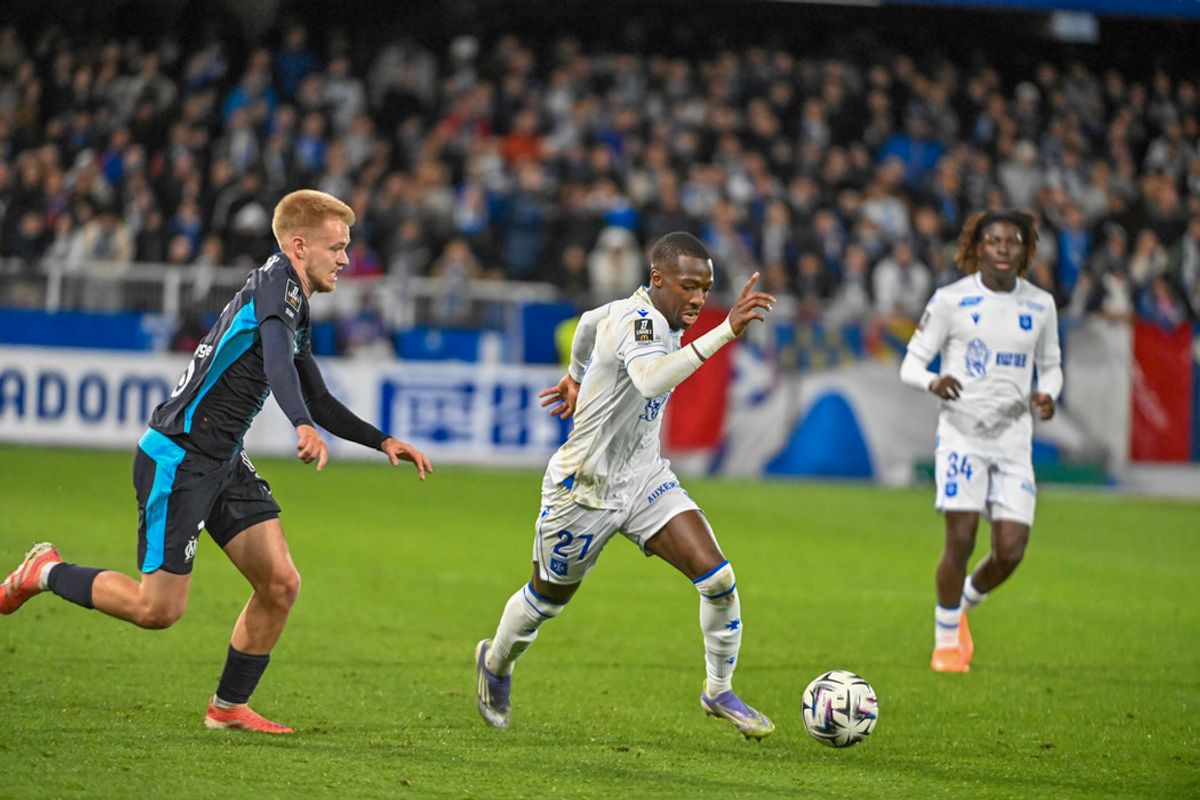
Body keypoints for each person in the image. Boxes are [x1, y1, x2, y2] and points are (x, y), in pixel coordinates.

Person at [1, 189, 433, 733]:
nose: (345, 259)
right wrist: (299, 423)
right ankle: (45, 571)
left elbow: (316, 394)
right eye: (336, 247)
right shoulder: (278, 288)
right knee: (157, 611)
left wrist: (382, 440)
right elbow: (279, 365)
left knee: (279, 584)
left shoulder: (291, 296)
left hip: (221, 458)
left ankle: (227, 708)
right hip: (179, 456)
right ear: (299, 246)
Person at [474, 232, 777, 739]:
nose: (699, 299)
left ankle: (718, 689)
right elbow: (653, 380)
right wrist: (724, 330)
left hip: (644, 479)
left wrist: (573, 374)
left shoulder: (631, 308)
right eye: (689, 287)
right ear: (657, 279)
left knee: (718, 580)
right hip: (584, 489)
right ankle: (496, 662)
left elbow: (590, 322)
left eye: (706, 289)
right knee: (546, 599)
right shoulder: (640, 322)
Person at [898, 209, 1062, 673]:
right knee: (962, 537)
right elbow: (910, 364)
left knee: (1011, 550)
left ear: (1025, 249)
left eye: (1012, 241)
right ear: (977, 248)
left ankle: (967, 600)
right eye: (993, 241)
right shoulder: (951, 301)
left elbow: (1051, 365)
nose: (1003, 249)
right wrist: (932, 381)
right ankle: (945, 640)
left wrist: (1049, 392)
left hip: (1013, 439)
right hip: (962, 436)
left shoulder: (1040, 305)